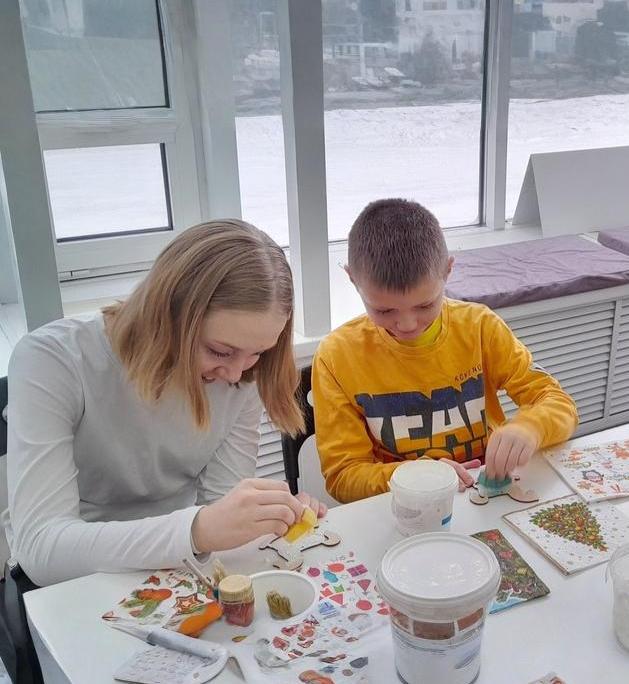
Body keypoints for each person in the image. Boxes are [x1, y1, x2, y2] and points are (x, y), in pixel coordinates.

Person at [3, 219, 327, 587]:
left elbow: (222, 502)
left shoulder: (241, 374)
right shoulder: (52, 359)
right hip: (72, 579)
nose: (237, 373)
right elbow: (43, 549)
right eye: (219, 351)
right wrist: (196, 530)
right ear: (165, 312)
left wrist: (262, 517)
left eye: (258, 352)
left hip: (179, 565)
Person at [312, 198, 578, 503]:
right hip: (404, 508)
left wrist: (531, 427)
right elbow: (343, 477)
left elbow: (559, 403)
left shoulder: (480, 327)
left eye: (425, 305)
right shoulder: (336, 356)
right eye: (384, 310)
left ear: (448, 271)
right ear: (352, 279)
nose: (408, 325)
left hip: (485, 496)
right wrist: (416, 477)